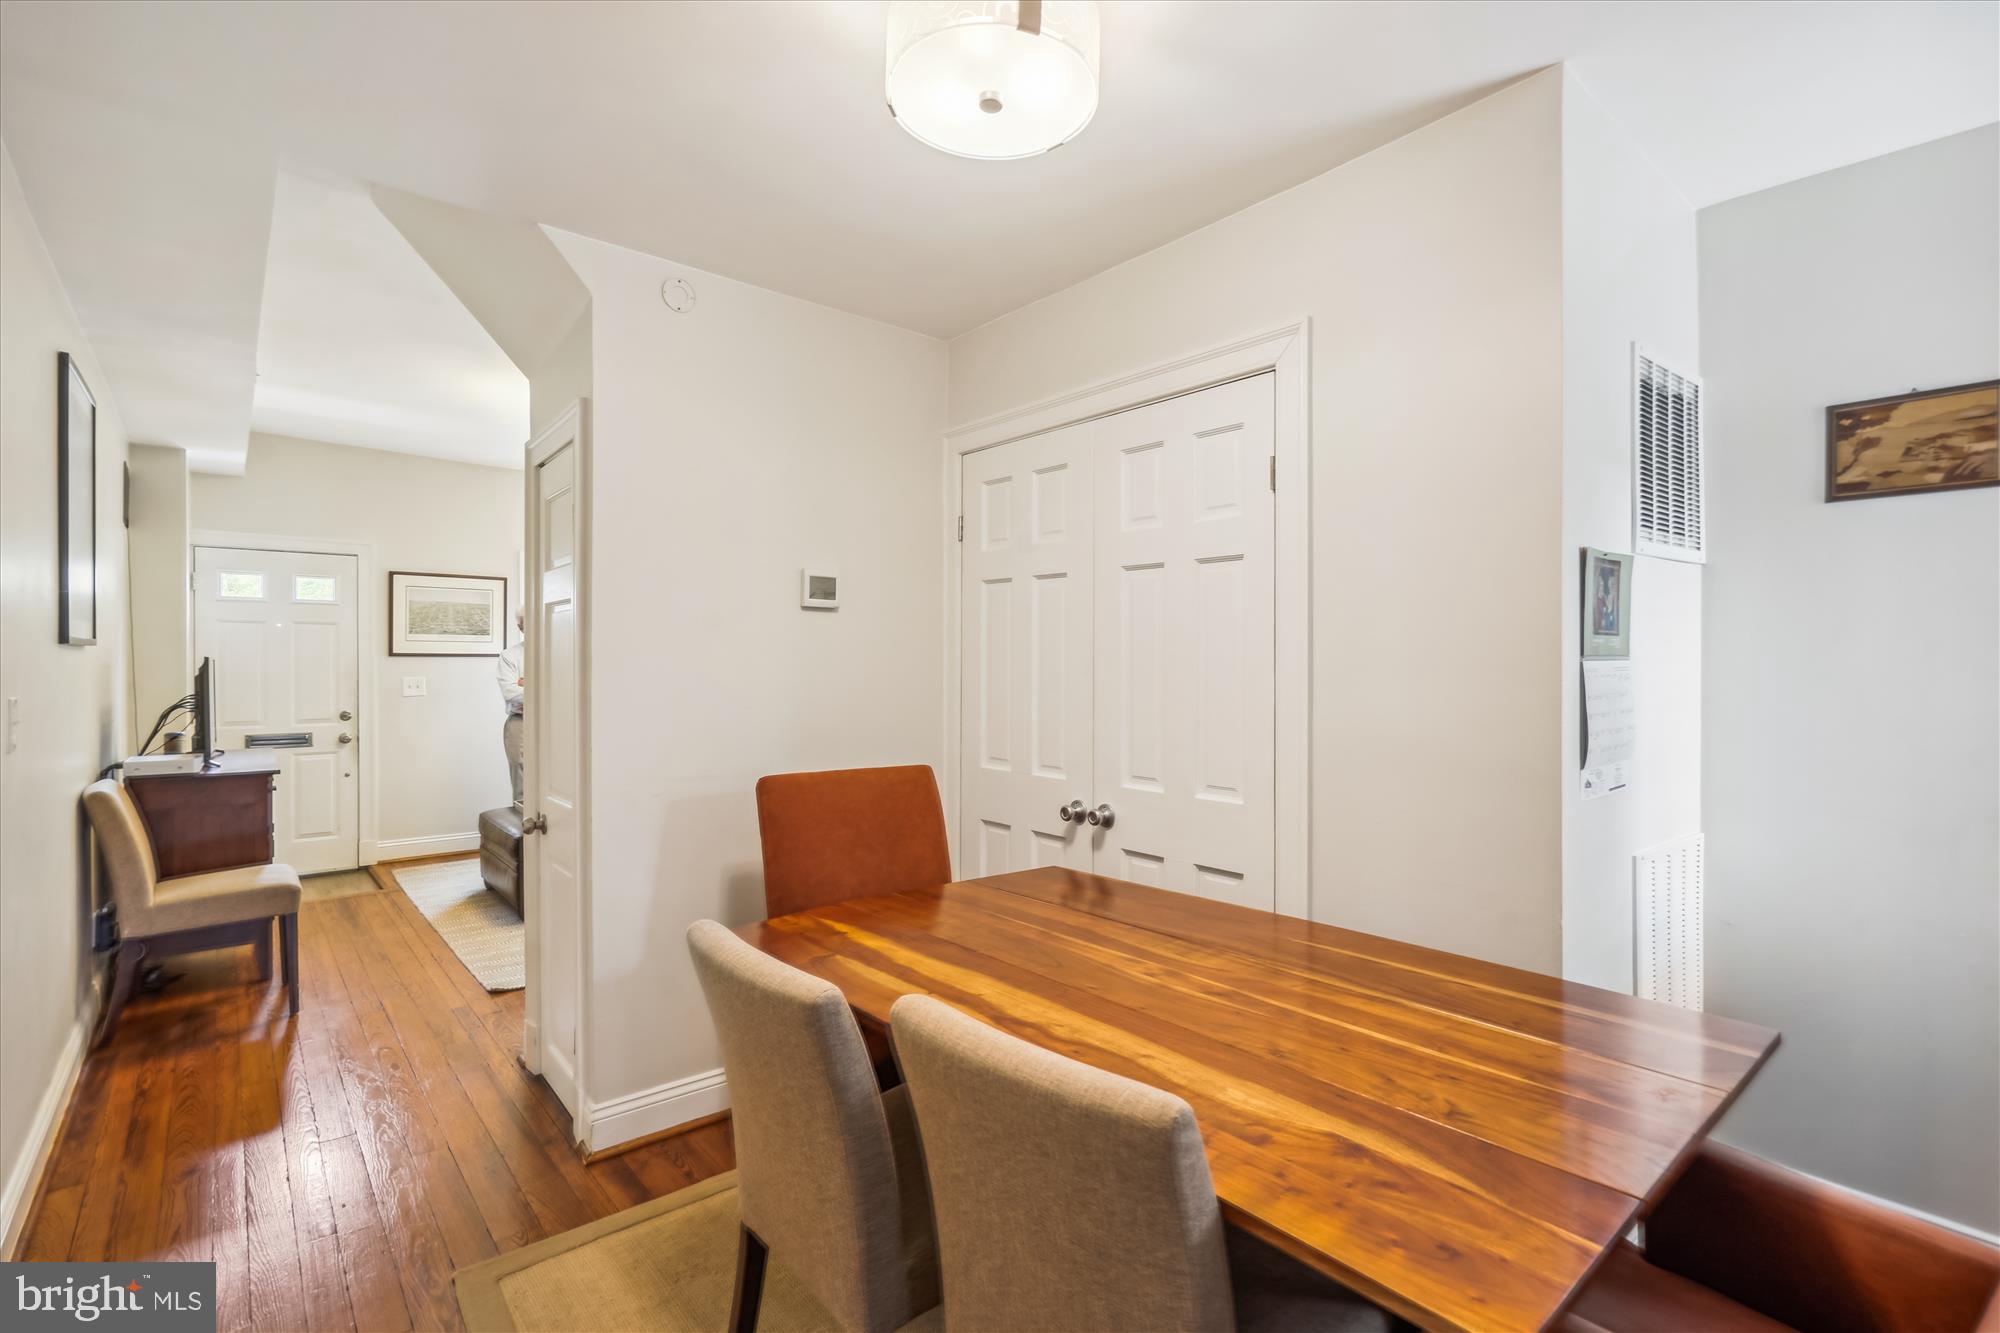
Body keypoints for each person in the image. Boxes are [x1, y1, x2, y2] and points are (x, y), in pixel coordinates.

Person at [498, 609, 525, 805]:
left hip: (557, 721)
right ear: (520, 626)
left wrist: (526, 683)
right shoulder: (510, 656)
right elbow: (513, 694)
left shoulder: (563, 651)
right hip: (520, 724)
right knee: (523, 787)